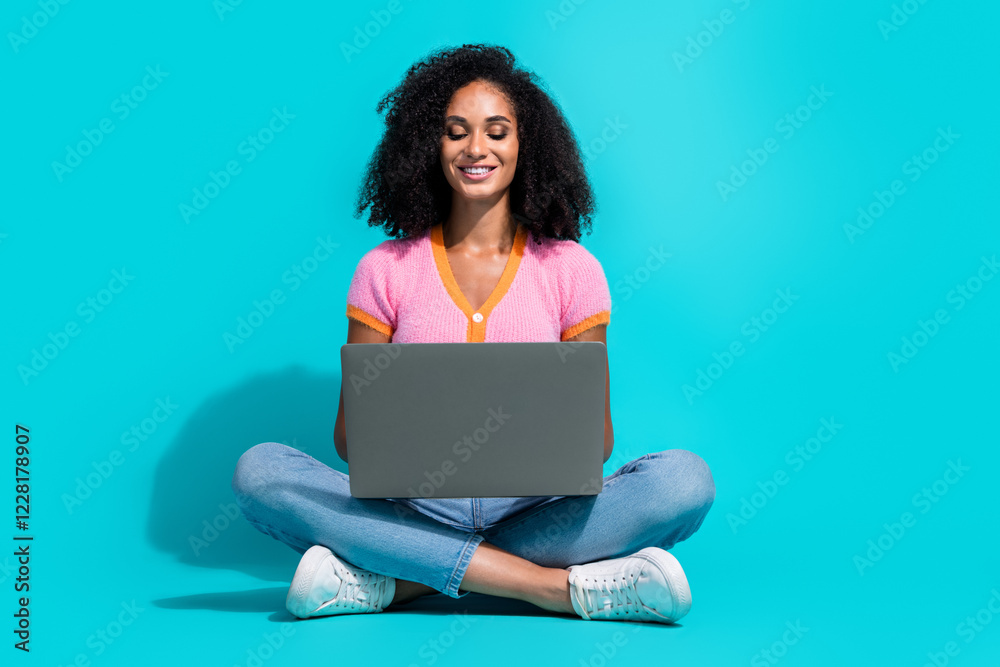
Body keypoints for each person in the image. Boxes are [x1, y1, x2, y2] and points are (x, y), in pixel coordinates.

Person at [231, 43, 715, 624]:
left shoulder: (572, 269)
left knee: (683, 481)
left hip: (540, 516)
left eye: (497, 131)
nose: (476, 149)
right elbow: (350, 442)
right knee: (259, 471)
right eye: (455, 131)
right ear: (428, 146)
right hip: (412, 513)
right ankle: (552, 589)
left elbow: (597, 444)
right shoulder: (383, 269)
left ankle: (399, 582)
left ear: (524, 145)